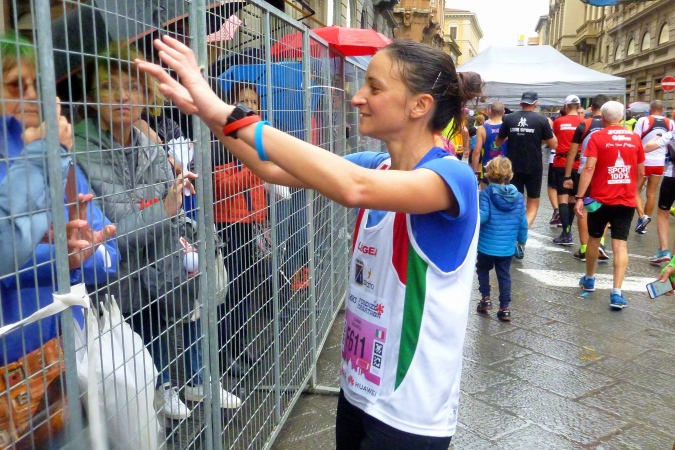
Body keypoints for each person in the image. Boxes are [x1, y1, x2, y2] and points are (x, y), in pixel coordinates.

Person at [137, 35, 482, 449]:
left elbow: (353, 188)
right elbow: (270, 168)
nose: (357, 97)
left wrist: (226, 111)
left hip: (410, 413)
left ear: (419, 105)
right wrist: (207, 113)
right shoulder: (377, 164)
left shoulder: (452, 177)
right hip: (357, 391)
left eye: (374, 88)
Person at [73, 43, 241, 420]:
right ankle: (158, 393)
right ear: (92, 96)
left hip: (156, 275)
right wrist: (164, 210)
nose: (121, 96)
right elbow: (111, 233)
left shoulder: (149, 146)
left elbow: (165, 209)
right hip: (111, 290)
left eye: (131, 86)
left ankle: (169, 385)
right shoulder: (80, 153)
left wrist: (170, 217)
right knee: (125, 388)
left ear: (146, 94)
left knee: (161, 336)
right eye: (108, 86)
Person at [211, 83, 271, 377]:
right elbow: (220, 187)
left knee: (246, 289)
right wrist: (255, 169)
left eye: (253, 101)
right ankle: (223, 351)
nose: (249, 105)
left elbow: (257, 189)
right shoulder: (222, 141)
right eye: (243, 100)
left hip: (251, 224)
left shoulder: (255, 139)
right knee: (230, 291)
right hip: (229, 224)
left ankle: (238, 344)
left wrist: (262, 214)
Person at [574, 101, 645, 310]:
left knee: (594, 238)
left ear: (603, 118)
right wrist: (633, 190)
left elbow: (589, 168)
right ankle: (616, 293)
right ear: (622, 118)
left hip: (600, 199)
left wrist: (580, 197)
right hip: (626, 200)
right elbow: (642, 172)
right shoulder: (634, 138)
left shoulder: (597, 137)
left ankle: (589, 279)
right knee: (620, 244)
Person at [495, 92, 557, 254]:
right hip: (534, 166)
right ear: (535, 103)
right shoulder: (542, 120)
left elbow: (498, 142)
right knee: (533, 203)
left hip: (513, 166)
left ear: (521, 103)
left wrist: (513, 137)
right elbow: (554, 144)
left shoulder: (509, 119)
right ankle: (520, 236)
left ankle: (510, 234)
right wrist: (538, 138)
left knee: (514, 201)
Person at [475, 157, 528, 322]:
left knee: (483, 269)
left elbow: (483, 217)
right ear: (509, 174)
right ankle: (505, 308)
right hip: (506, 247)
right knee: (504, 275)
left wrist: (470, 220)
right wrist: (521, 241)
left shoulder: (486, 194)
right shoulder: (518, 196)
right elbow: (523, 222)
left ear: (489, 174)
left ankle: (485, 299)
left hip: (486, 245)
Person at [564, 94, 610, 262]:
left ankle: (585, 248)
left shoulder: (584, 124)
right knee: (604, 207)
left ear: (592, 107)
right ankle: (601, 243)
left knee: (582, 208)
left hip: (585, 170)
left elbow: (572, 152)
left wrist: (567, 175)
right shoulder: (612, 125)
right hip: (606, 171)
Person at [632, 100, 674, 236]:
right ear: (663, 109)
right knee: (651, 194)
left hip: (643, 161)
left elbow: (636, 140)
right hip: (660, 162)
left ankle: (642, 216)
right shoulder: (670, 123)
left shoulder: (643, 120)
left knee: (635, 191)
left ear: (650, 109)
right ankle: (643, 225)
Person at [551, 95, 584, 245]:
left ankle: (567, 232)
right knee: (572, 198)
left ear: (566, 106)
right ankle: (567, 232)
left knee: (563, 198)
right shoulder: (584, 122)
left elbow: (554, 140)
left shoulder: (558, 122)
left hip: (561, 162)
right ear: (579, 106)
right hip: (578, 164)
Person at [644, 130, 675, 264]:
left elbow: (647, 148)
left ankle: (664, 250)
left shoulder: (672, 134)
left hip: (672, 177)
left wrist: (658, 136)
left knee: (663, 213)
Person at [472, 101, 507, 189]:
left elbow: (476, 152)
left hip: (487, 167)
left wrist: (474, 172)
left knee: (485, 194)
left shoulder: (481, 129)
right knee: (503, 194)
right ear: (503, 112)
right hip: (504, 167)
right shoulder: (508, 127)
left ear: (490, 111)